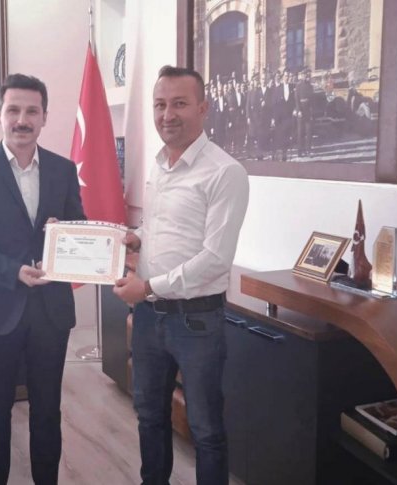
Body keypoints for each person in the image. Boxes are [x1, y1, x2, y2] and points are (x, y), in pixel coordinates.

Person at [113, 65, 249, 485]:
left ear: (203, 108)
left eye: (179, 104)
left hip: (197, 320)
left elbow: (215, 259)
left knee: (205, 429)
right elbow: (161, 227)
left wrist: (147, 287)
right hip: (150, 317)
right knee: (150, 415)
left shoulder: (225, 172)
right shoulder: (160, 165)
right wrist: (137, 238)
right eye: (160, 105)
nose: (167, 115)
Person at [0, 73, 85, 484]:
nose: (22, 120)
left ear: (44, 117)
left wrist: (66, 232)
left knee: (47, 411)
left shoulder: (64, 170)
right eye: (13, 110)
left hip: (51, 310)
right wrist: (12, 271)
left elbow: (79, 226)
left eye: (32, 111)